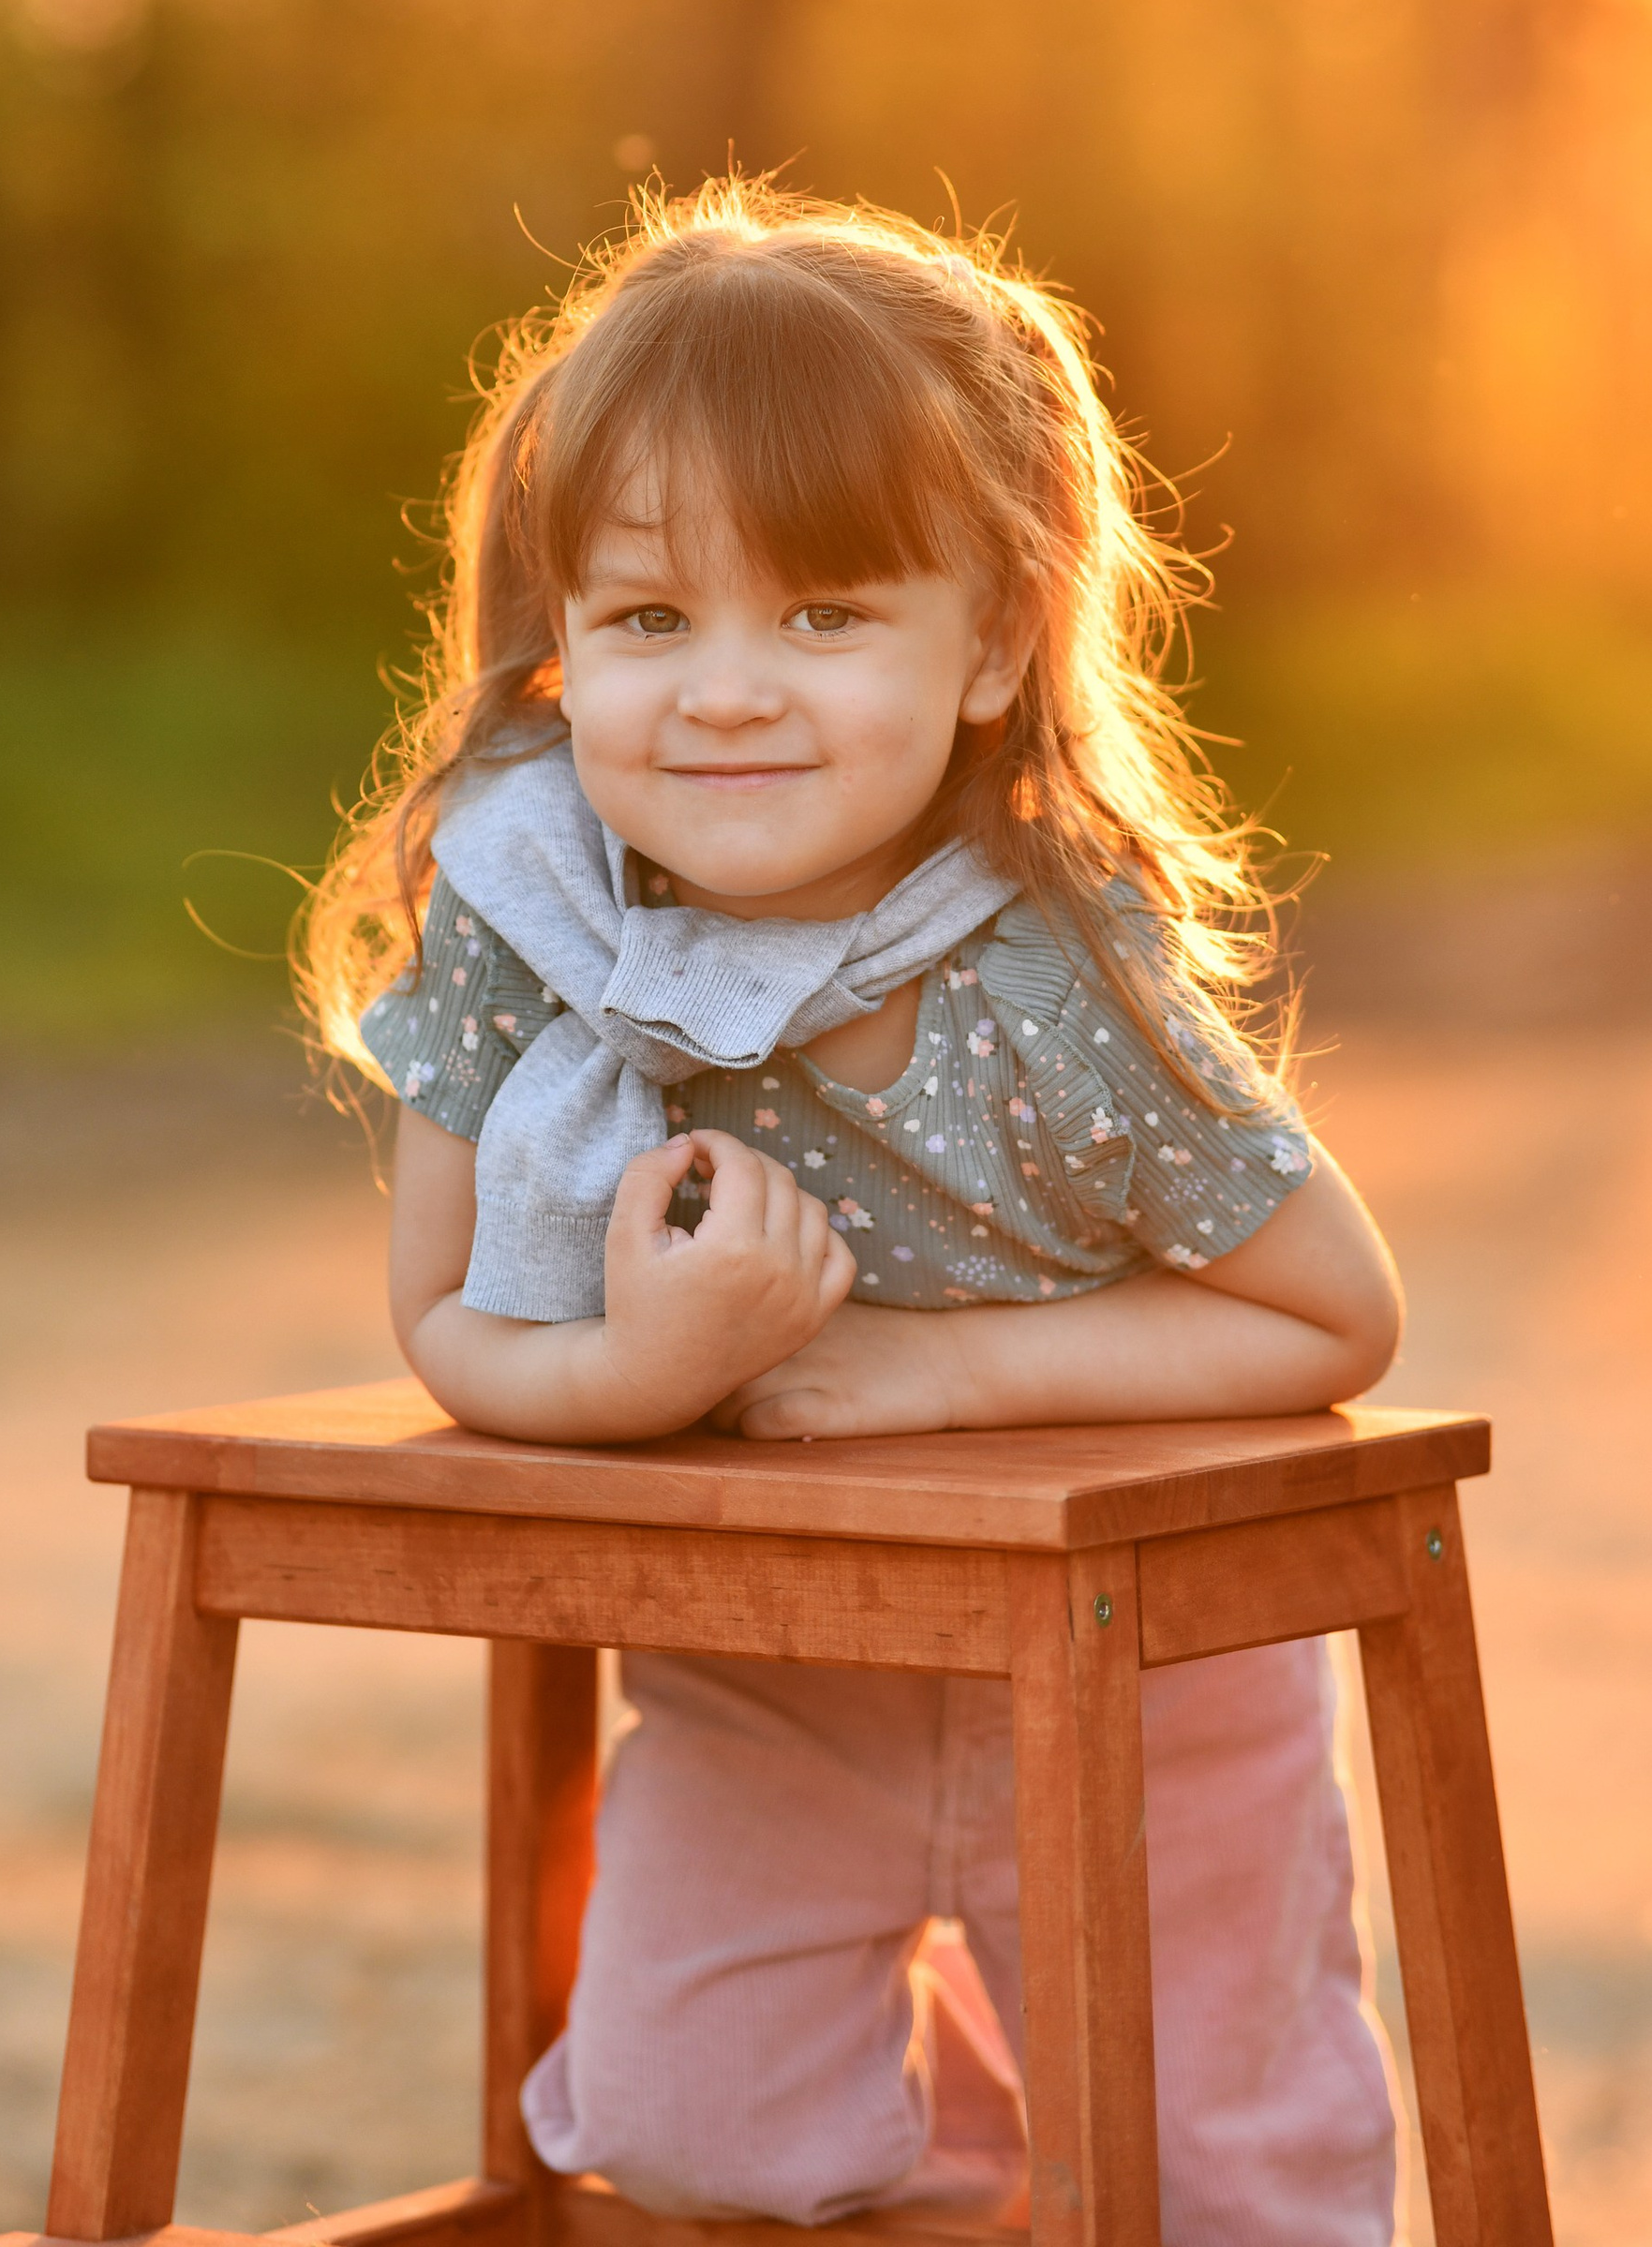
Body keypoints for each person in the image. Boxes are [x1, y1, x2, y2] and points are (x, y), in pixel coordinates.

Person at [300, 181, 1406, 2243]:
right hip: (777, 1666)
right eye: (651, 620)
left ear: (990, 644)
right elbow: (445, 1316)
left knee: (1220, 2181)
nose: (725, 692)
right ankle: (966, 2163)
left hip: (1141, 1686)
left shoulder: (1050, 978)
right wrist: (644, 1371)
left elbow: (1331, 1315)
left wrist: (939, 1370)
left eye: (822, 615)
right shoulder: (527, 921)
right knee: (689, 2136)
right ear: (559, 648)